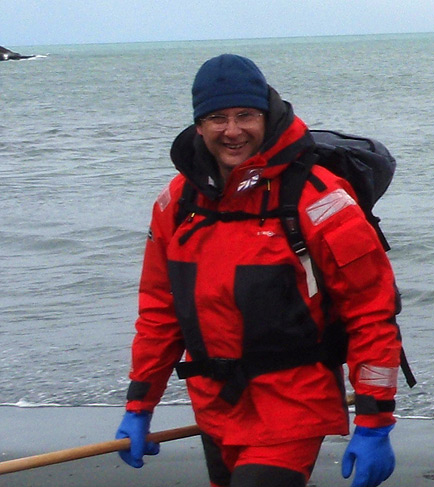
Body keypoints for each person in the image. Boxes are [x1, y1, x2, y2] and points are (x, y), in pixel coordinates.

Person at [114, 53, 404, 487]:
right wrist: (139, 403)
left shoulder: (319, 199)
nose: (232, 131)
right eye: (217, 118)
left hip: (293, 407)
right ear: (199, 126)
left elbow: (371, 312)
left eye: (245, 116)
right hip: (215, 409)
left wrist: (375, 419)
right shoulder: (177, 203)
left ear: (266, 117)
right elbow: (160, 310)